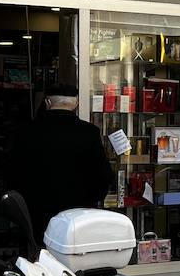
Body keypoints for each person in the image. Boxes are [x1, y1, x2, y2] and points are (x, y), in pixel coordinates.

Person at [9, 82, 114, 239]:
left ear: (48, 102)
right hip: (78, 215)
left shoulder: (28, 131)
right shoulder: (89, 132)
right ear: (76, 103)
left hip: (37, 212)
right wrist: (91, 201)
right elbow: (103, 175)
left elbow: (13, 172)